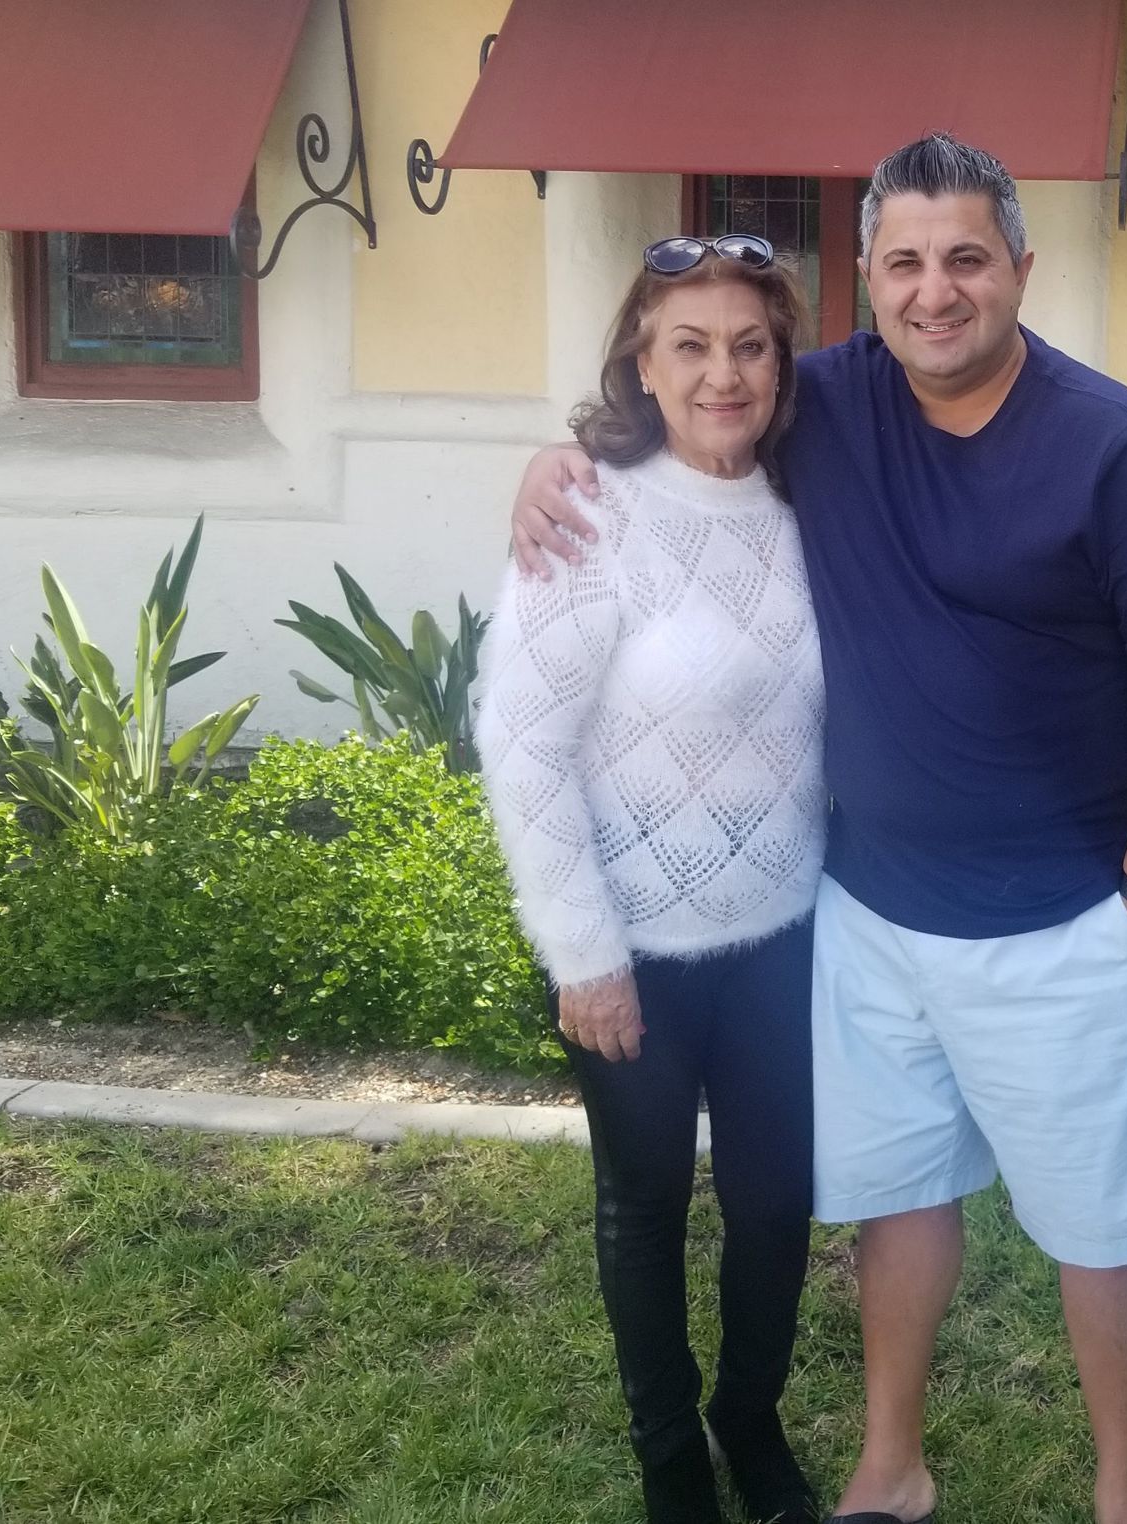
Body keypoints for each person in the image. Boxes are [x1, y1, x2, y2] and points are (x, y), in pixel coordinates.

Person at [509, 135, 1127, 1524]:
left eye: (966, 257)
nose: (934, 290)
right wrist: (560, 463)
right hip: (869, 918)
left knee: (1103, 1222)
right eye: (903, 262)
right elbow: (689, 408)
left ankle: (1122, 1496)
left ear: (1019, 267)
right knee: (900, 1196)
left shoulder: (1118, 452)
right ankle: (891, 1465)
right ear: (867, 279)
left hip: (1061, 927)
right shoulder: (831, 402)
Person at [477, 233, 826, 1524]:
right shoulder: (593, 515)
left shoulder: (811, 503)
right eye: (691, 345)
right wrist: (584, 955)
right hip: (632, 949)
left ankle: (749, 1416)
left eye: (750, 346)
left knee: (777, 1204)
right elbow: (523, 744)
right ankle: (671, 1455)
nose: (722, 374)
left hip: (785, 937)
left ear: (781, 365)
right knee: (646, 1203)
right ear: (642, 359)